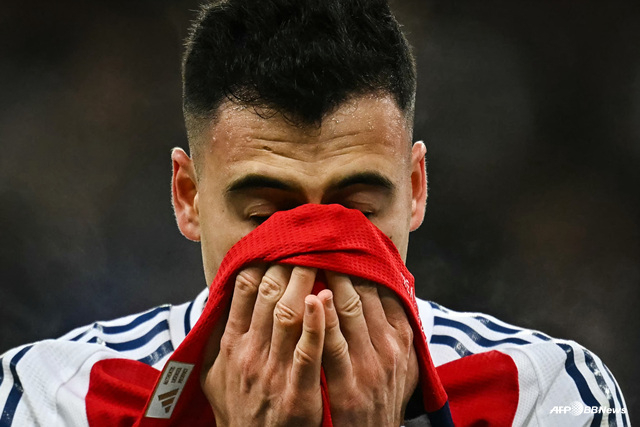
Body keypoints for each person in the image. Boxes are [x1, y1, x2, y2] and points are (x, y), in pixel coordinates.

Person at [0, 0, 629, 425]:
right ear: (188, 198)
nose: (315, 253)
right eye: (265, 215)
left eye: (356, 211)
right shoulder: (53, 396)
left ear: (415, 189)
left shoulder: (546, 393)